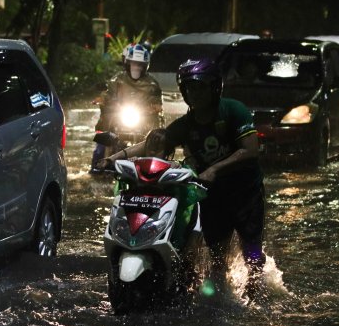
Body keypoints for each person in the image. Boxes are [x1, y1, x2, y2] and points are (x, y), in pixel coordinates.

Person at [97, 58, 266, 300]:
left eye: (199, 87)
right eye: (188, 88)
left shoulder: (233, 111)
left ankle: (257, 300)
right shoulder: (186, 125)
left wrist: (215, 170)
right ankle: (221, 301)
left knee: (252, 253)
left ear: (214, 87)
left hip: (245, 193)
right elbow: (151, 144)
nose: (193, 94)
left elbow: (250, 150)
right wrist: (113, 159)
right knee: (217, 257)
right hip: (211, 195)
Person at [90, 43, 163, 171]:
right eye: (134, 63)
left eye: (140, 64)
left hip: (144, 121)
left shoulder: (152, 84)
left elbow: (157, 103)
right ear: (128, 63)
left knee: (156, 141)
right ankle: (97, 169)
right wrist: (104, 100)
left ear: (145, 66)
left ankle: (156, 168)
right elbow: (108, 94)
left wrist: (152, 108)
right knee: (102, 142)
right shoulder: (117, 79)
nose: (136, 67)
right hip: (120, 119)